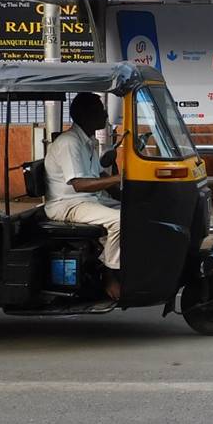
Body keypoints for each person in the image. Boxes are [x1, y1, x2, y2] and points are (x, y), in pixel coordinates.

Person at [44, 92, 122, 302]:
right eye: (100, 109)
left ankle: (120, 264)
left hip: (89, 200)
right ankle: (109, 272)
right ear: (86, 114)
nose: (105, 113)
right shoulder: (70, 142)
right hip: (68, 204)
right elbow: (79, 184)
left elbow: (99, 174)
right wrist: (118, 179)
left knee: (136, 212)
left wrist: (124, 192)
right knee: (120, 221)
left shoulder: (86, 141)